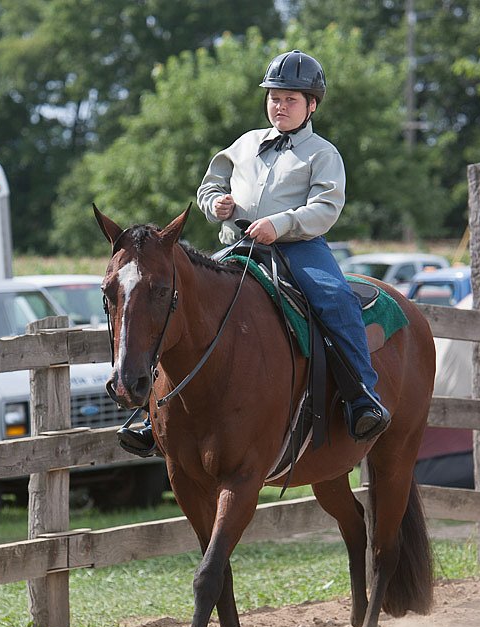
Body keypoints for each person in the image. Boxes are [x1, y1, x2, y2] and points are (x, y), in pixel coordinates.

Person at [122, 49, 389, 455]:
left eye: (290, 100)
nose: (279, 106)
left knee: (335, 299)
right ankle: (153, 412)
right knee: (183, 304)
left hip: (298, 249)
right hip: (239, 247)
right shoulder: (245, 144)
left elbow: (325, 208)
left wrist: (279, 224)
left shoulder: (323, 153)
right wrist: (217, 205)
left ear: (311, 105)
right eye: (274, 98)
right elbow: (209, 186)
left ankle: (362, 398)